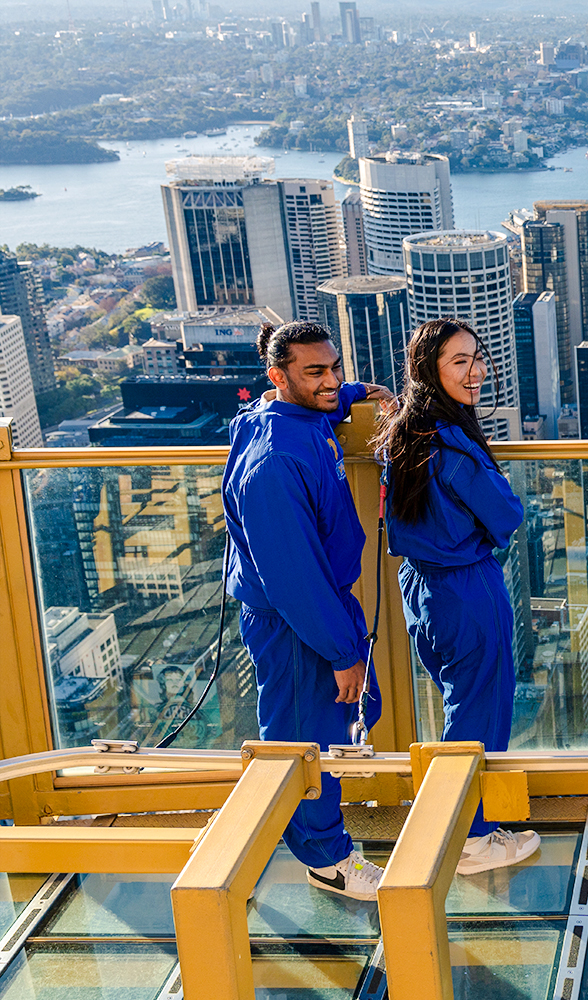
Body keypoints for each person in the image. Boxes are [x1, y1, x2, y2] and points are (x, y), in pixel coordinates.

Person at [223, 321, 394, 901]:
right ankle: (327, 861)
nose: (330, 381)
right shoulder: (276, 462)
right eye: (315, 372)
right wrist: (343, 651)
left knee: (331, 723)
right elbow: (294, 578)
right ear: (278, 377)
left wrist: (354, 393)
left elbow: (312, 401)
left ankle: (312, 831)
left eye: (334, 368)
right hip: (296, 621)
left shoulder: (287, 415)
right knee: (306, 738)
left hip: (317, 605)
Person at [379, 318, 540, 875]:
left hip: (420, 587)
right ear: (430, 370)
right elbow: (508, 513)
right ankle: (469, 839)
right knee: (479, 710)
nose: (475, 372)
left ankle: (459, 822)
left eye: (477, 357)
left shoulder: (403, 430)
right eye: (458, 362)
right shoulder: (454, 444)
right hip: (467, 587)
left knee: (458, 701)